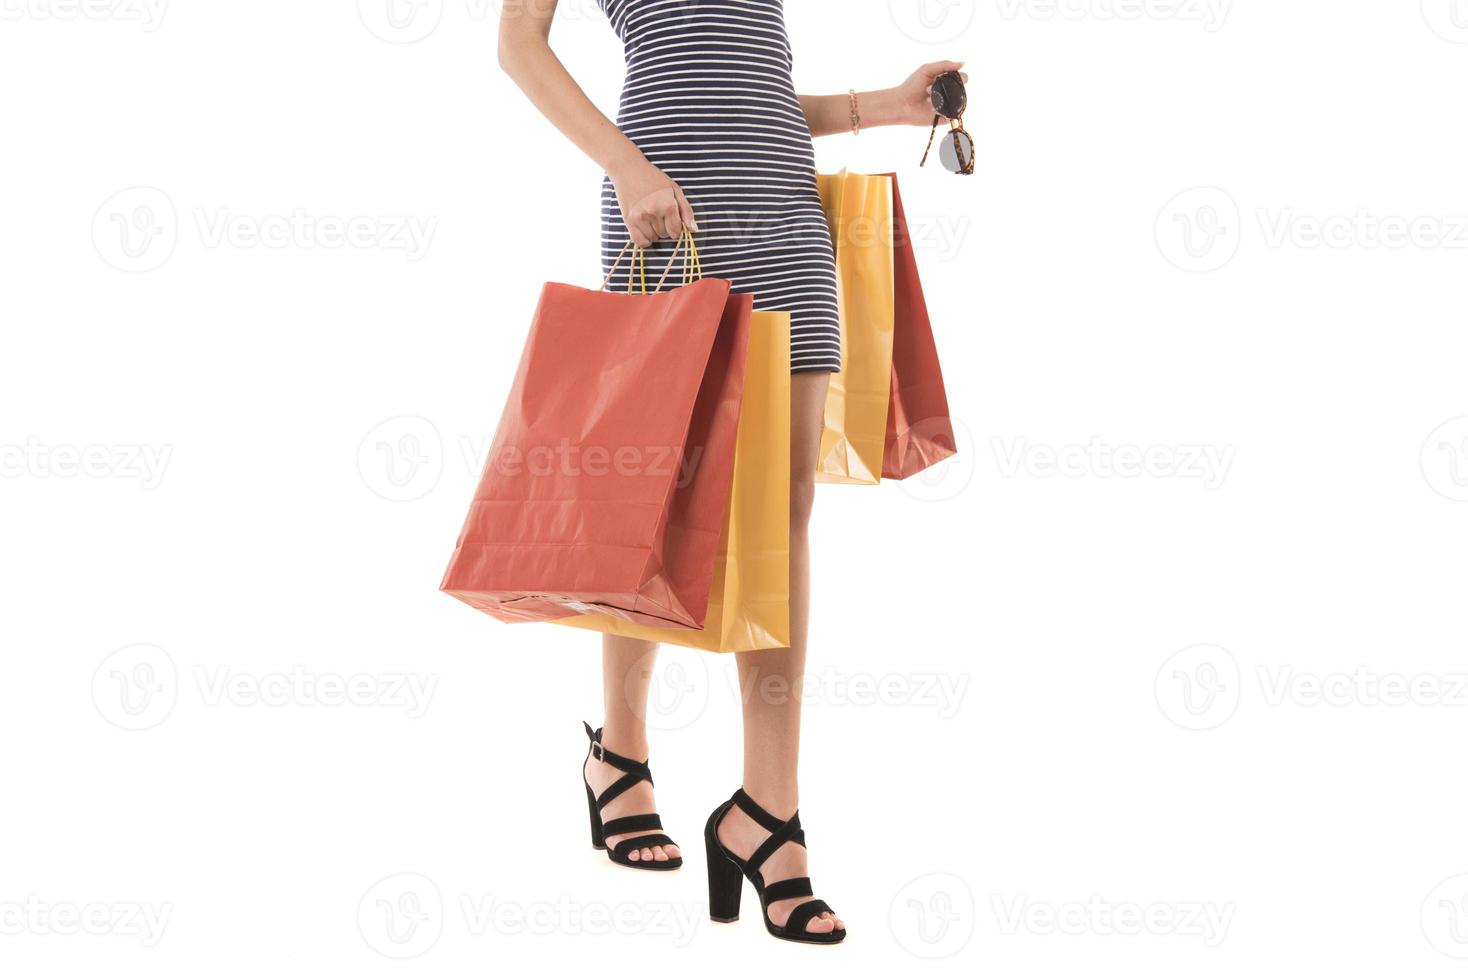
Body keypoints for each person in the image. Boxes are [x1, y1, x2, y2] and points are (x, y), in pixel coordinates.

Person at [497, 0, 964, 944]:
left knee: (784, 515)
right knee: (654, 500)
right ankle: (619, 757)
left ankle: (769, 816)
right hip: (664, 212)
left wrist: (886, 105)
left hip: (786, 216)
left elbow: (744, 86)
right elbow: (516, 45)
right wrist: (626, 167)